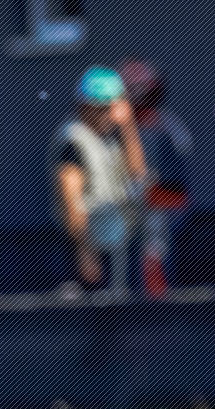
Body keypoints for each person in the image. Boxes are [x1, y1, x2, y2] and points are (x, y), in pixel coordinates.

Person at [51, 66, 146, 295]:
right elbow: (70, 199)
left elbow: (137, 173)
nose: (108, 115)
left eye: (111, 108)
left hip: (114, 244)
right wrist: (85, 252)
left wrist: (128, 126)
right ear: (86, 108)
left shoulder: (110, 137)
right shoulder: (74, 140)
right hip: (88, 246)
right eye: (102, 109)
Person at [120, 59, 192, 295]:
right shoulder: (132, 128)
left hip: (159, 216)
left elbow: (171, 190)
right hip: (136, 220)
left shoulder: (161, 128)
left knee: (153, 262)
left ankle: (156, 311)